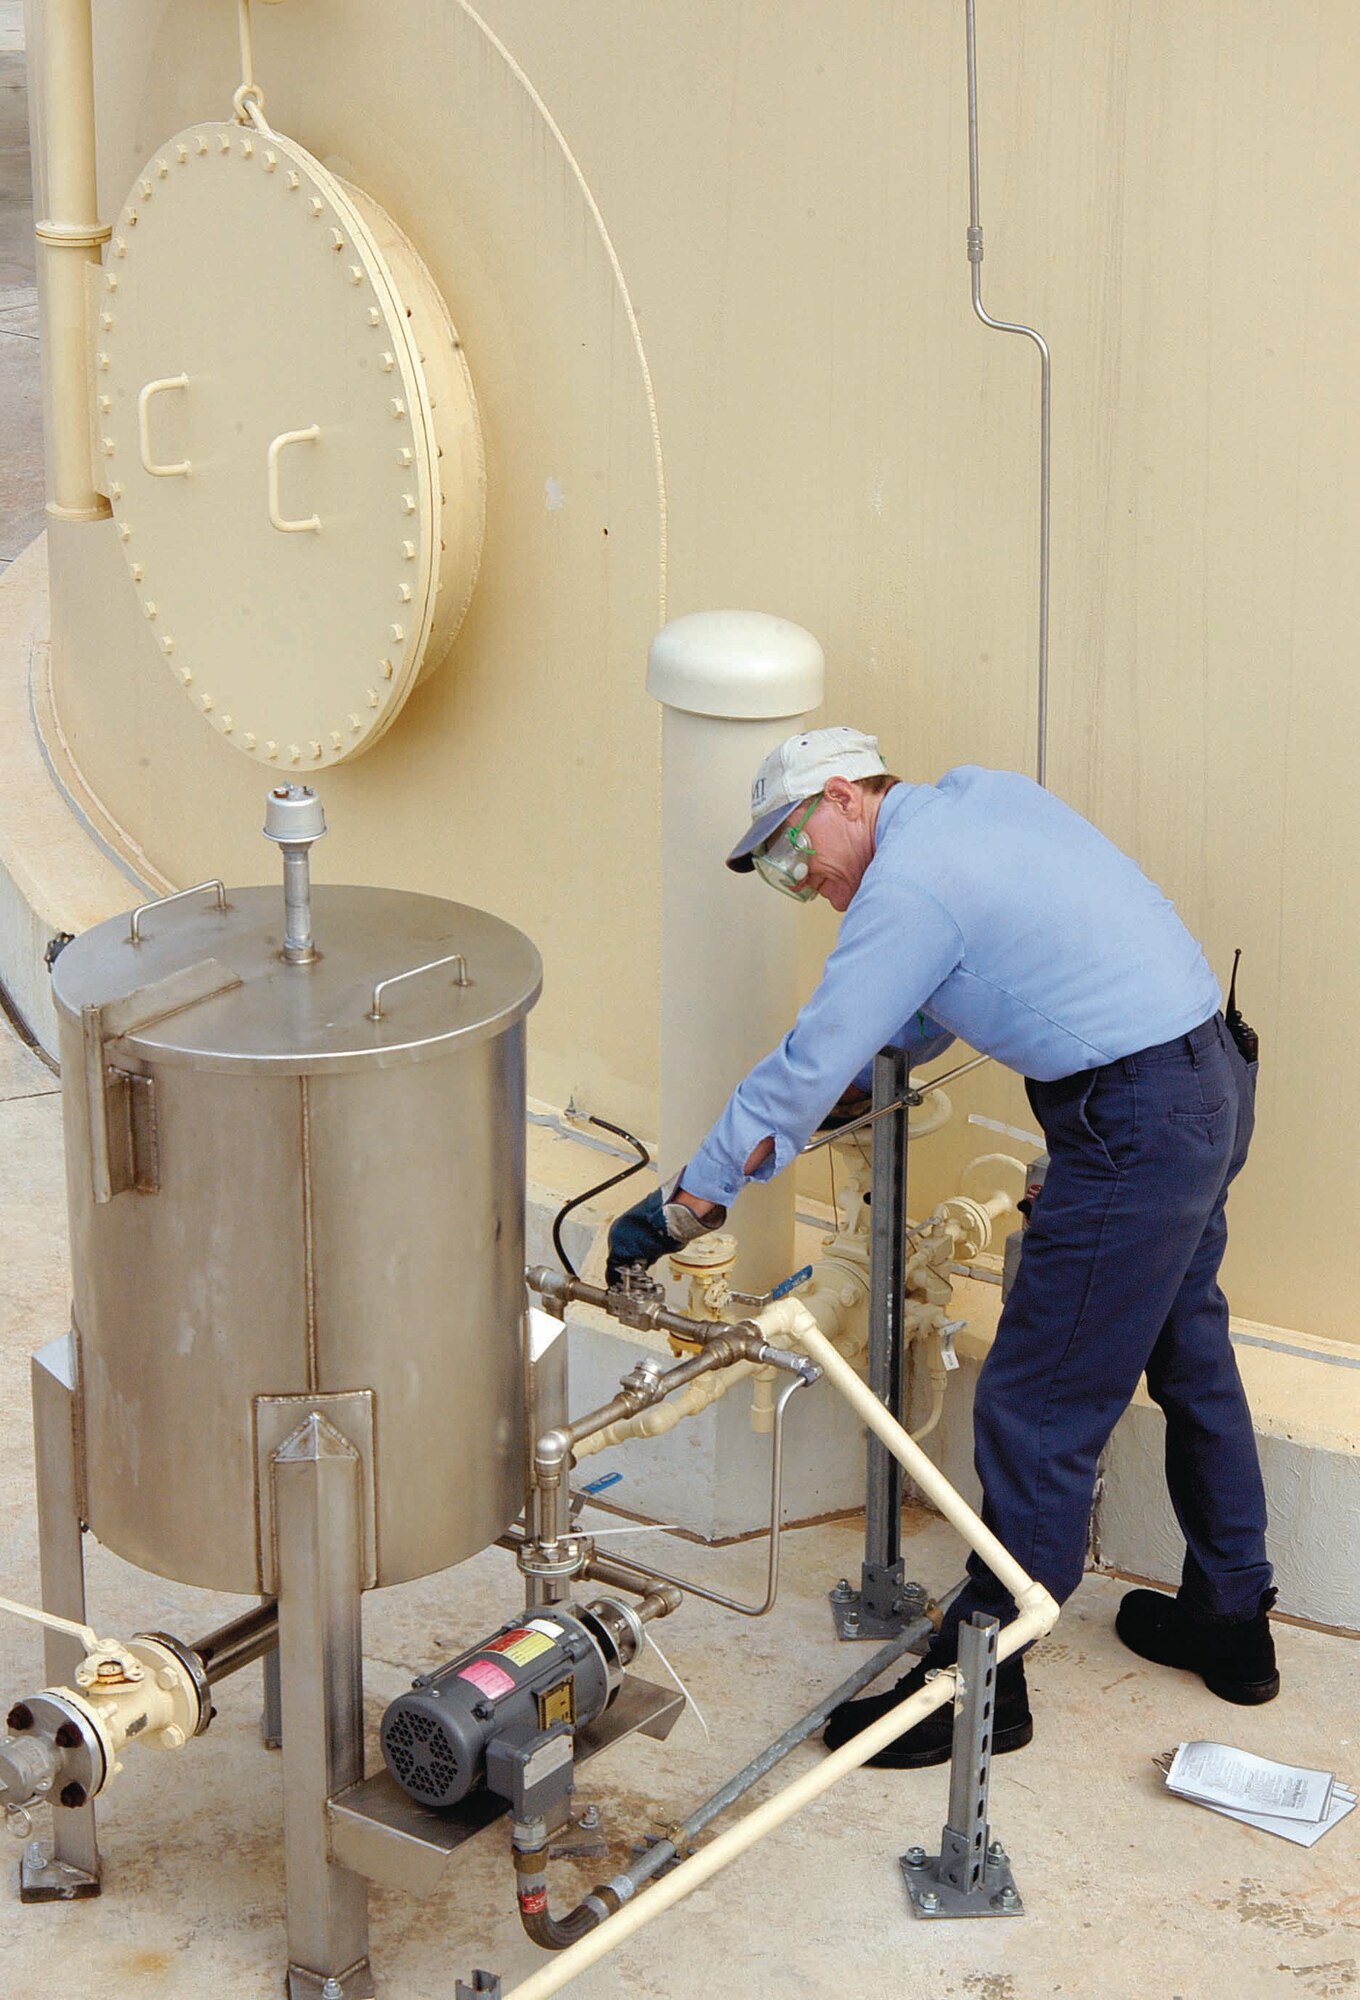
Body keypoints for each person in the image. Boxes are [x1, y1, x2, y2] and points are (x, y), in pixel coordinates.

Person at [607, 726, 1275, 1768]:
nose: (801, 881)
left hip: (1133, 1123)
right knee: (1190, 1353)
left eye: (792, 852)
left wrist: (692, 1199)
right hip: (1205, 1081)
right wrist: (855, 1075)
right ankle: (1232, 1622)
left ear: (841, 795)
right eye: (779, 875)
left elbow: (811, 1050)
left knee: (1035, 1401)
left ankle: (981, 1679)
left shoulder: (906, 886)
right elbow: (942, 991)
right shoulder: (976, 804)